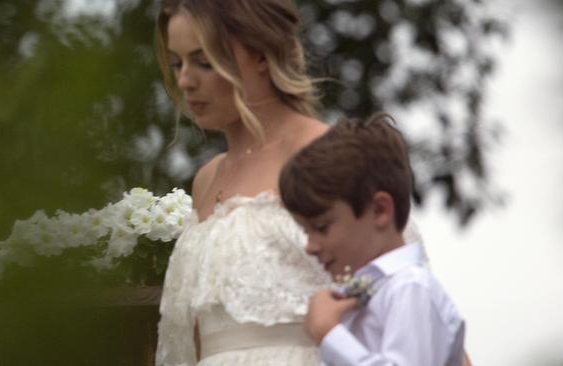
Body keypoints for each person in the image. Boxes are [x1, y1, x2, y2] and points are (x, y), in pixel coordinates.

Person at [153, 1, 422, 365]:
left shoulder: (332, 155)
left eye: (204, 61)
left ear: (261, 54)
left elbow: (414, 311)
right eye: (176, 63)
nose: (185, 80)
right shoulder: (205, 180)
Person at [279, 114, 466, 366]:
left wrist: (330, 335)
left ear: (379, 210)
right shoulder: (356, 297)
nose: (310, 246)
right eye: (305, 231)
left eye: (322, 227)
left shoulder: (410, 287)